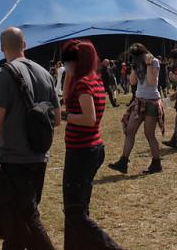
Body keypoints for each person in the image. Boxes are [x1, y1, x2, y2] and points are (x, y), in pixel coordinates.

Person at [0, 26, 60, 250]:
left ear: (1, 48)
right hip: (39, 155)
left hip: (13, 158)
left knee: (27, 217)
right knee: (17, 219)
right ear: (24, 45)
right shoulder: (45, 73)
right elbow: (56, 119)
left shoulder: (4, 74)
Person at [60, 40, 122, 250]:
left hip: (83, 150)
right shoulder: (91, 80)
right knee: (78, 209)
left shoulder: (85, 84)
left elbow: (89, 118)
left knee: (74, 212)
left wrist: (64, 115)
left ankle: (111, 247)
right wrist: (69, 75)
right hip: (86, 149)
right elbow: (67, 97)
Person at [108, 43, 164, 175]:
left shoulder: (154, 61)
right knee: (129, 131)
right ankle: (123, 162)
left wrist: (149, 65)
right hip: (139, 101)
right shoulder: (137, 63)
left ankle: (156, 163)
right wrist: (134, 67)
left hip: (152, 102)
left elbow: (151, 81)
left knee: (149, 134)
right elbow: (132, 82)